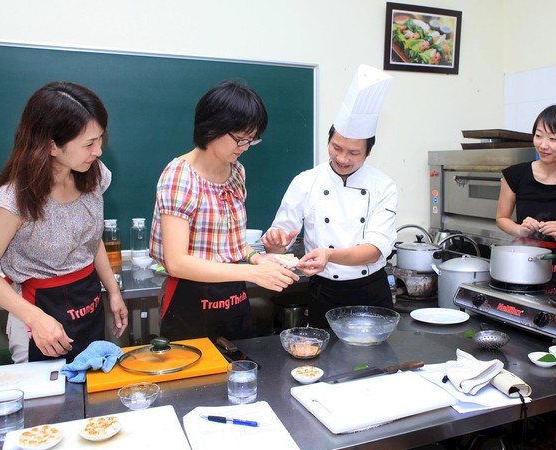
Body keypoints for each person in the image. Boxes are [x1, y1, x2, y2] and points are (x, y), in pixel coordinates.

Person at [0, 81, 128, 363]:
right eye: (88, 144)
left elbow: (91, 241)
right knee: (47, 390)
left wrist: (113, 291)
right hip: (37, 314)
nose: (98, 151)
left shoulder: (93, 175)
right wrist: (35, 318)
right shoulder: (13, 200)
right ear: (52, 145)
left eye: (100, 139)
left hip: (88, 302)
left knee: (92, 381)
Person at [149, 80, 299, 341]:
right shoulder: (180, 176)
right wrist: (253, 272)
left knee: (241, 360)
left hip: (234, 296)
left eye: (251, 140)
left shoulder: (236, 172)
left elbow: (230, 242)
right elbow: (177, 262)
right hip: (189, 300)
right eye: (240, 139)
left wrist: (257, 259)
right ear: (211, 128)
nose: (244, 147)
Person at [262, 65, 398, 328]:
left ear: (368, 152)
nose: (342, 158)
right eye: (336, 147)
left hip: (371, 291)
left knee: (377, 353)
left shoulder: (383, 186)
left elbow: (374, 251)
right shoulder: (306, 181)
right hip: (324, 293)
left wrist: (329, 255)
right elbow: (278, 245)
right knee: (324, 353)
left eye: (354, 153)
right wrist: (275, 242)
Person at [496, 104, 556, 292]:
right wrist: (520, 230)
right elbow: (501, 218)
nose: (543, 145)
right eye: (538, 135)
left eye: (553, 139)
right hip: (523, 263)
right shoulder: (515, 175)